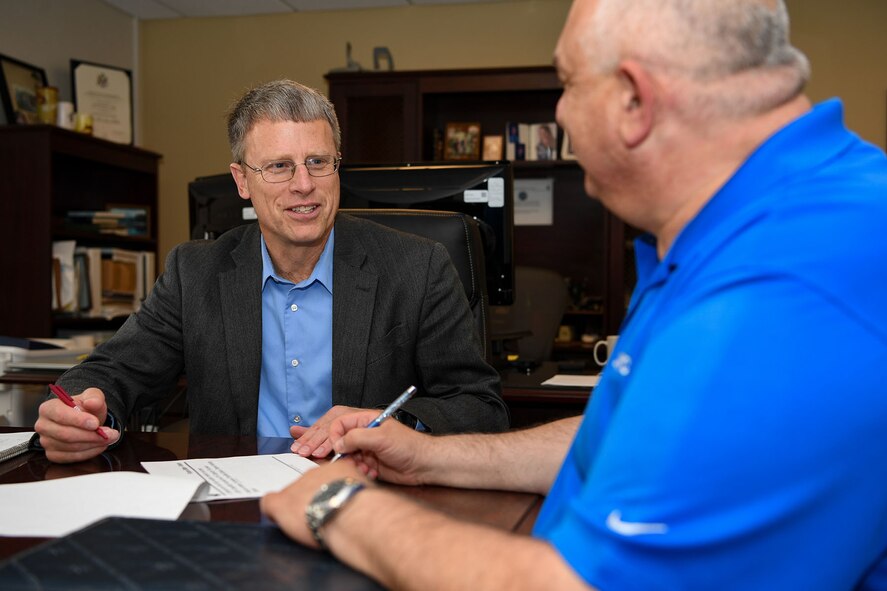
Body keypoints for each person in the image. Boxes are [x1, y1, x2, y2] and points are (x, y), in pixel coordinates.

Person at [261, 0, 887, 588]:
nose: (558, 113)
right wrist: (429, 457)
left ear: (635, 101)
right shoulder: (744, 222)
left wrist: (338, 506)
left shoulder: (784, 286)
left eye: (567, 82)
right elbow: (632, 438)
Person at [35, 80, 509, 464]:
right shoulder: (195, 272)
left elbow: (480, 407)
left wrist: (393, 426)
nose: (304, 186)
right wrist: (82, 408)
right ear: (242, 180)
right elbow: (113, 370)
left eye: (318, 162)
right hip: (235, 510)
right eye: (280, 166)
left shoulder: (417, 268)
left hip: (370, 501)